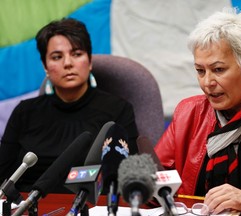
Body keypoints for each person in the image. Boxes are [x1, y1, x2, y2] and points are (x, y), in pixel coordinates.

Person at [155, 8, 241, 214]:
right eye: (200, 71)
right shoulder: (187, 113)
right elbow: (154, 181)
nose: (207, 82)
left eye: (218, 70)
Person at [0, 18, 138, 193]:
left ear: (90, 61)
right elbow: (3, 177)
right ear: (45, 66)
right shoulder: (24, 112)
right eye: (57, 57)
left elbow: (127, 178)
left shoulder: (118, 110)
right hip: (28, 207)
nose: (68, 63)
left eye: (77, 54)